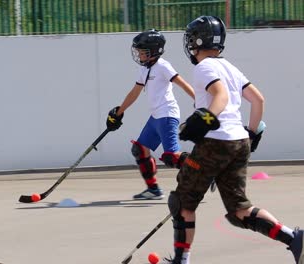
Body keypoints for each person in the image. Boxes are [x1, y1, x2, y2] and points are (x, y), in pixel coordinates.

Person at [163, 15, 303, 264]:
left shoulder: (203, 67)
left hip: (215, 142)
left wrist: (205, 118)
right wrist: (251, 134)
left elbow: (220, 96)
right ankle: (295, 239)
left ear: (196, 41)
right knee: (240, 211)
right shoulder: (230, 67)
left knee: (182, 202)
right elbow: (258, 99)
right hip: (239, 142)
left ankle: (181, 261)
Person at [106, 29, 195, 200]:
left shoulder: (163, 66)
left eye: (142, 52)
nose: (139, 55)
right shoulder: (145, 69)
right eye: (138, 51)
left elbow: (182, 84)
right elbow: (134, 93)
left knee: (172, 157)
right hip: (156, 117)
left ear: (154, 51)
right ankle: (153, 189)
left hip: (167, 115)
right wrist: (118, 112)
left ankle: (206, 170)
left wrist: (200, 103)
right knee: (140, 149)